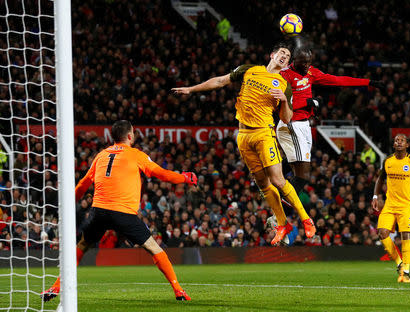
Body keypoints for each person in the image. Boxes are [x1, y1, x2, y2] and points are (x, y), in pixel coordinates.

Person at [172, 42, 316, 246]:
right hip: (243, 136)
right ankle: (283, 224)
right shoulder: (249, 70)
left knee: (278, 180)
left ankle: (306, 219)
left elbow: (286, 118)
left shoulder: (284, 84)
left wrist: (284, 101)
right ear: (272, 55)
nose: (284, 56)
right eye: (282, 53)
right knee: (263, 185)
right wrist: (191, 89)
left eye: (288, 55)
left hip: (264, 134)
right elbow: (221, 81)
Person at [41, 120, 197, 302]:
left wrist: (69, 204)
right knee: (154, 248)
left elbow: (83, 184)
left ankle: (56, 286)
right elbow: (162, 174)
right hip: (122, 212)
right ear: (130, 136)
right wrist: (184, 178)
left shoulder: (101, 155)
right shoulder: (135, 154)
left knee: (82, 246)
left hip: (98, 211)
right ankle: (178, 290)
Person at [276, 45, 385, 195]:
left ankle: (270, 182)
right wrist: (308, 102)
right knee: (302, 175)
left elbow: (338, 80)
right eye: (303, 63)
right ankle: (279, 207)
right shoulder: (284, 76)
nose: (307, 66)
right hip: (290, 124)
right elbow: (279, 104)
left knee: (297, 168)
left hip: (304, 124)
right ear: (294, 61)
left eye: (309, 62)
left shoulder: (311, 72)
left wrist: (368, 82)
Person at [372, 134, 410, 283]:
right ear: (394, 144)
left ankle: (407, 272)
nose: (398, 142)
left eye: (401, 140)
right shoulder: (388, 161)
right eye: (396, 140)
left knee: (405, 235)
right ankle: (399, 264)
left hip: (405, 206)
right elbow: (380, 178)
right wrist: (375, 196)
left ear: (407, 145)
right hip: (389, 205)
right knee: (382, 233)